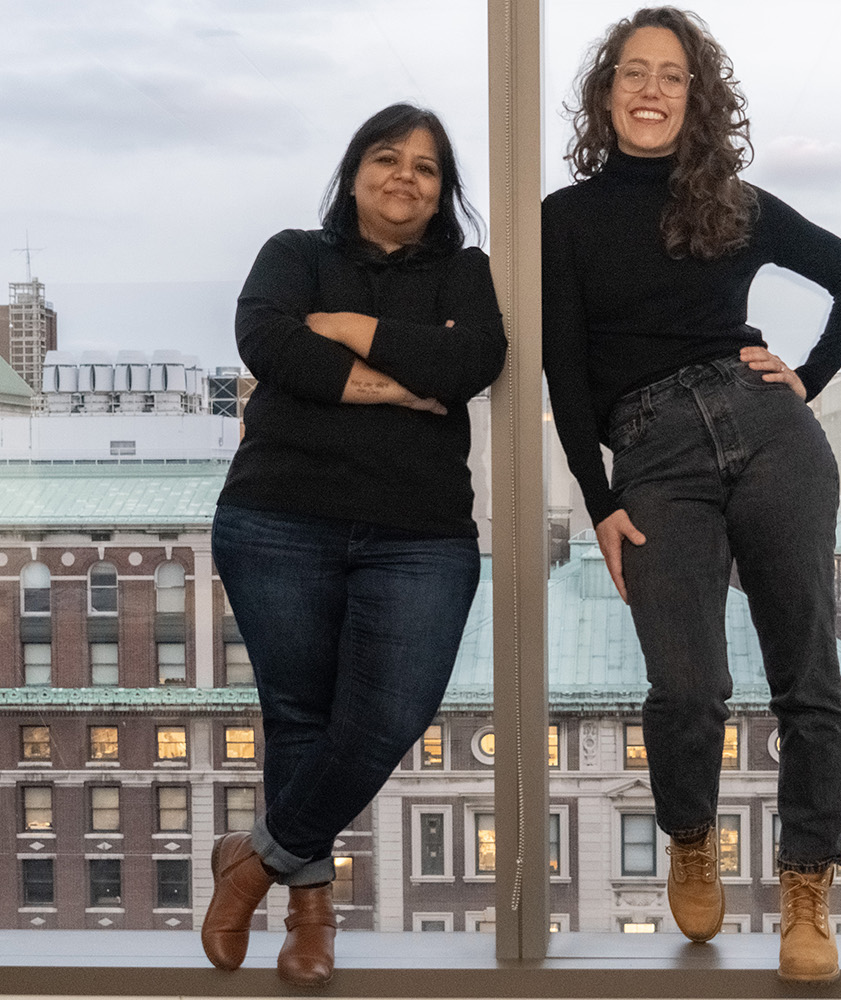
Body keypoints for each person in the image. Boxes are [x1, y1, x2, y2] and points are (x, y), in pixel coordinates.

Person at [543, 8, 841, 982]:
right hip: (651, 451)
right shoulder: (561, 221)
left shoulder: (732, 201)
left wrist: (806, 379)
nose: (651, 89)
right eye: (633, 73)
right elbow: (566, 373)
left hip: (768, 432)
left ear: (696, 99)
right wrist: (598, 498)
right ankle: (691, 836)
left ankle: (805, 888)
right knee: (688, 686)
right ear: (606, 94)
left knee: (807, 679)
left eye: (672, 76)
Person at [204, 103, 506, 986]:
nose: (405, 177)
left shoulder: (466, 271)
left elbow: (469, 365)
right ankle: (309, 918)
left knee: (386, 717)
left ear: (443, 191)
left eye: (426, 167)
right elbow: (265, 342)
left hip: (421, 534)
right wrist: (395, 386)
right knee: (299, 718)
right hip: (278, 517)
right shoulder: (294, 254)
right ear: (354, 171)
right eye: (388, 158)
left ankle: (252, 863)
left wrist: (338, 330)